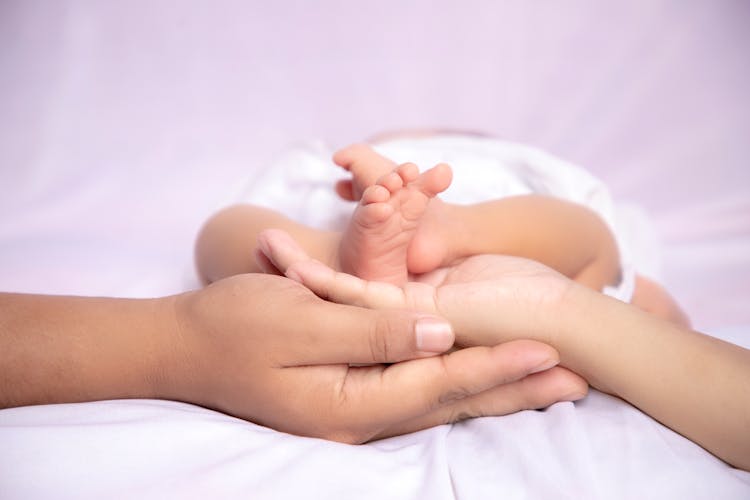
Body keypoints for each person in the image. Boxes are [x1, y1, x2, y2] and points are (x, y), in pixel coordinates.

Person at [256, 227, 750, 471]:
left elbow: (594, 240)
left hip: (483, 265)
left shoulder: (525, 176)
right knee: (272, 242)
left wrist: (467, 225)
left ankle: (376, 259)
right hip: (352, 249)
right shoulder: (320, 187)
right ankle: (338, 262)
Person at [0, 277, 587, 444]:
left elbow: (594, 246)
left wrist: (470, 225)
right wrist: (182, 337)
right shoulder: (309, 178)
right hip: (333, 284)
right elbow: (223, 237)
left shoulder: (543, 177)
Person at [195, 143, 688, 326]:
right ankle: (452, 230)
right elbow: (664, 315)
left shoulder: (348, 170)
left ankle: (336, 262)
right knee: (593, 240)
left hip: (365, 220)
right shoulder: (521, 169)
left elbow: (226, 231)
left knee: (226, 233)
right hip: (519, 274)